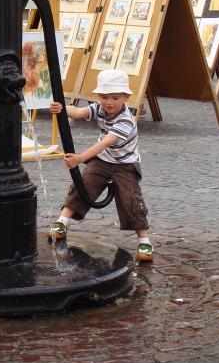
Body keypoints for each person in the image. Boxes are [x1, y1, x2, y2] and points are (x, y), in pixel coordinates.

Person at [48, 69, 153, 262]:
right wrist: (61, 108)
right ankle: (62, 221)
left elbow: (104, 143)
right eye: (104, 97)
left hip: (125, 164)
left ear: (126, 97)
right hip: (103, 160)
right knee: (83, 184)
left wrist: (79, 159)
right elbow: (79, 112)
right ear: (98, 96)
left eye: (115, 97)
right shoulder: (100, 109)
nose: (109, 102)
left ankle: (144, 241)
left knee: (130, 198)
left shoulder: (125, 121)